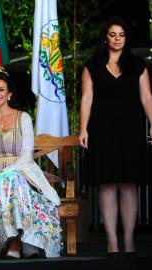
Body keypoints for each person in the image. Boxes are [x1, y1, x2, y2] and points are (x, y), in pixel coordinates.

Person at [79, 17, 152, 256]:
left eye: (121, 34)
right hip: (102, 131)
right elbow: (87, 99)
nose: (117, 38)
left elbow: (147, 98)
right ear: (106, 37)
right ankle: (111, 241)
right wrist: (83, 129)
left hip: (131, 130)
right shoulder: (92, 66)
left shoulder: (138, 65)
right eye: (113, 34)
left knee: (130, 185)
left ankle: (129, 241)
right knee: (107, 185)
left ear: (126, 38)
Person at [0, 65, 62, 259]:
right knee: (4, 183)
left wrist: (10, 172)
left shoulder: (23, 117)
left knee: (12, 181)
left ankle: (27, 241)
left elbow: (26, 154)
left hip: (22, 171)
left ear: (9, 93)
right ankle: (13, 242)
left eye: (1, 89)